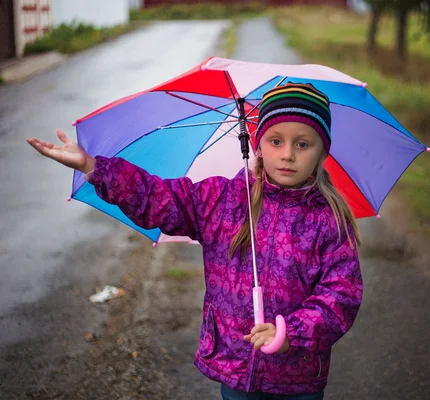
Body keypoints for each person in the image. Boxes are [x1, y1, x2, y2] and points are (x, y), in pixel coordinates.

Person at [27, 83, 363, 400]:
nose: (288, 154)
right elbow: (158, 198)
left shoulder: (329, 219)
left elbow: (341, 295)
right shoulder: (223, 199)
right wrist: (93, 166)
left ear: (322, 151)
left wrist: (292, 333)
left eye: (302, 144)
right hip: (237, 364)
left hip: (299, 376)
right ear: (258, 143)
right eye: (276, 141)